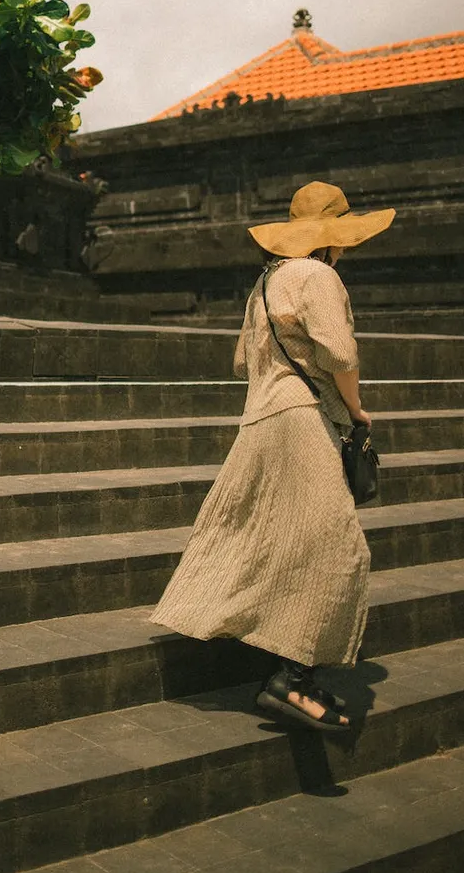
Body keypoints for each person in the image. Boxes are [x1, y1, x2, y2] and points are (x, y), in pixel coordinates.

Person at [150, 181, 395, 731]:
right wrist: (357, 410)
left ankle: (286, 668)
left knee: (272, 536)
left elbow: (243, 362)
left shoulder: (268, 281)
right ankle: (293, 681)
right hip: (300, 418)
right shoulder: (320, 275)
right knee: (335, 545)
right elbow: (339, 352)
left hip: (263, 416)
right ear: (332, 239)